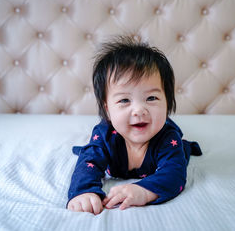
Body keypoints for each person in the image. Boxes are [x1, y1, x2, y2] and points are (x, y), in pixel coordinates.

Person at [67, 36, 202, 214]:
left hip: (168, 137)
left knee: (180, 153)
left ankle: (185, 146)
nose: (139, 110)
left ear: (168, 103)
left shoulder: (167, 138)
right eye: (124, 100)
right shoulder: (105, 135)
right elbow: (87, 164)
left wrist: (144, 191)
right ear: (107, 110)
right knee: (89, 151)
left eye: (151, 98)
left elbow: (174, 175)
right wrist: (83, 192)